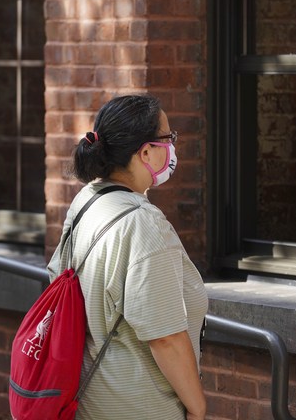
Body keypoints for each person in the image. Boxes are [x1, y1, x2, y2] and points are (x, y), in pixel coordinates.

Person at [47, 94, 208, 420]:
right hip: (141, 406)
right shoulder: (143, 224)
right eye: (169, 137)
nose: (172, 146)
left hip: (89, 402)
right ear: (145, 152)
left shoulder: (87, 201)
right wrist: (198, 408)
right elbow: (166, 337)